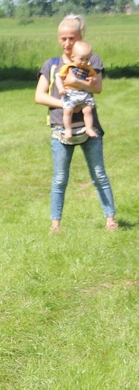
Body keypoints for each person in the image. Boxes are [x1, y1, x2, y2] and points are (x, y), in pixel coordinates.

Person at [34, 14, 117, 233]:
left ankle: (110, 220)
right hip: (61, 128)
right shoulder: (52, 64)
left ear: (81, 37)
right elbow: (39, 96)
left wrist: (75, 82)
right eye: (63, 38)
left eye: (72, 38)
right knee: (60, 179)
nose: (67, 43)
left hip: (90, 128)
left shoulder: (92, 59)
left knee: (99, 174)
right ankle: (55, 224)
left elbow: (97, 87)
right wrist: (66, 105)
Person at [55, 40, 99, 140]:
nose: (84, 62)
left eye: (87, 59)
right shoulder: (68, 67)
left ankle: (88, 128)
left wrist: (93, 79)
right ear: (73, 57)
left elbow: (95, 77)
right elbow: (59, 78)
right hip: (70, 93)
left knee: (87, 110)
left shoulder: (89, 68)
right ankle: (68, 130)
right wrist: (61, 88)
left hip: (83, 93)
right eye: (81, 59)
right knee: (68, 111)